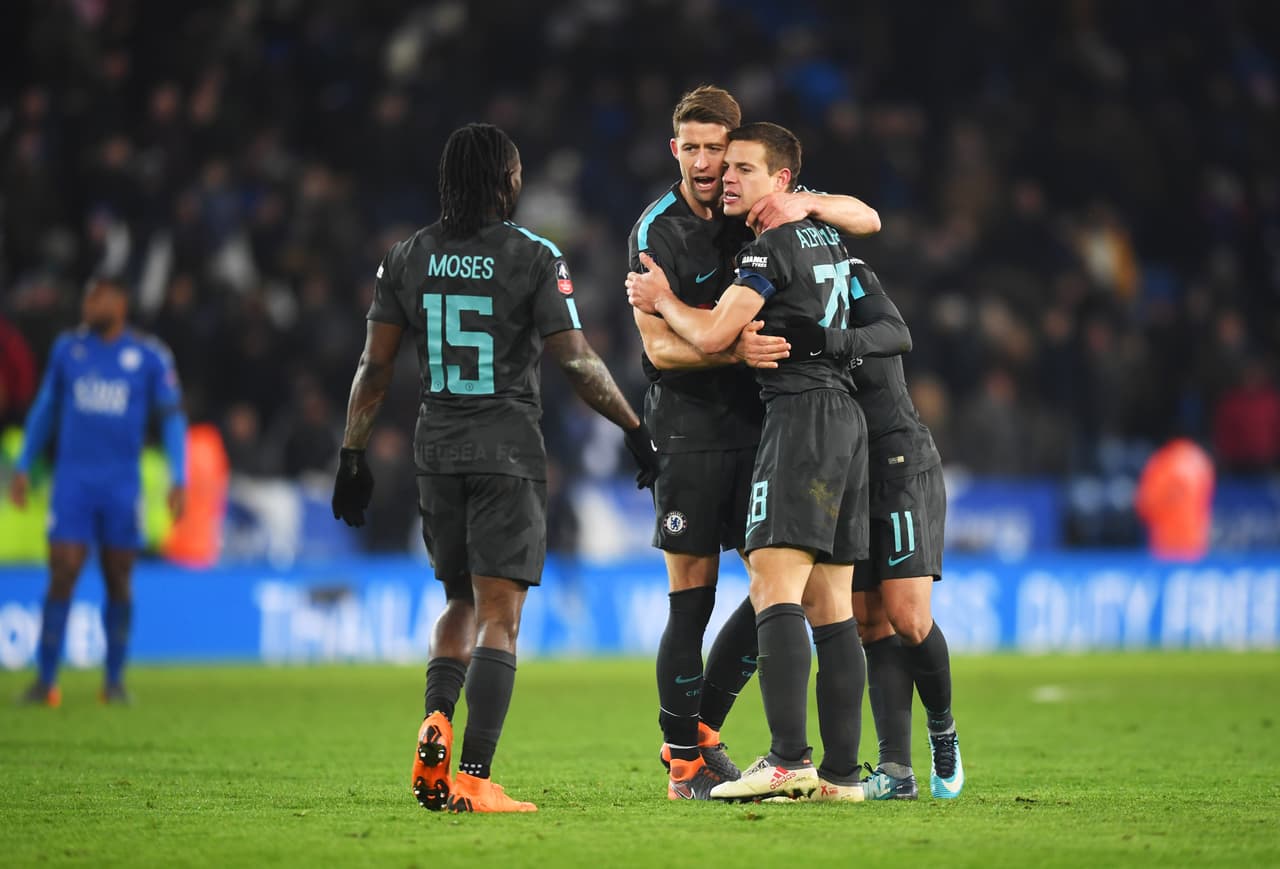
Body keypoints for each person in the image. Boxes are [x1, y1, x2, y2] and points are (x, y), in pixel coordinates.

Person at [332, 123, 658, 814]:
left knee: (459, 600)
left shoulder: (405, 257)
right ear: (506, 181)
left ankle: (437, 718)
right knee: (500, 619)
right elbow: (577, 362)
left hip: (436, 450)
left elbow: (374, 367)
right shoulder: (534, 255)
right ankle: (474, 777)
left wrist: (352, 453)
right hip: (506, 451)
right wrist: (635, 428)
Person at [629, 85, 880, 800]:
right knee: (693, 597)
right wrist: (737, 349)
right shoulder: (656, 230)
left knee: (777, 585)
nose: (707, 164)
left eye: (720, 151)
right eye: (693, 149)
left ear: (741, 154)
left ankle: (705, 729)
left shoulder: (762, 208)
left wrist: (809, 204)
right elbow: (659, 350)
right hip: (688, 429)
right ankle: (685, 758)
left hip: (767, 425)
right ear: (674, 149)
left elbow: (867, 216)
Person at [740, 259, 965, 800]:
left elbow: (895, 334)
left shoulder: (849, 277)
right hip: (844, 465)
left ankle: (943, 731)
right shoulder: (776, 297)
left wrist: (824, 341)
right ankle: (896, 769)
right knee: (867, 621)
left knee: (908, 616)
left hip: (899, 461)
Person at [10, 274, 187, 706]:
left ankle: (114, 681)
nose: (88, 305)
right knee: (64, 569)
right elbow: (46, 408)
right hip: (73, 482)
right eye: (87, 297)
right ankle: (45, 681)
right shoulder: (67, 350)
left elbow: (171, 418)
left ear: (120, 303)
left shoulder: (149, 355)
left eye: (98, 298)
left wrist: (179, 476)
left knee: (118, 575)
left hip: (121, 486)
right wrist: (24, 462)